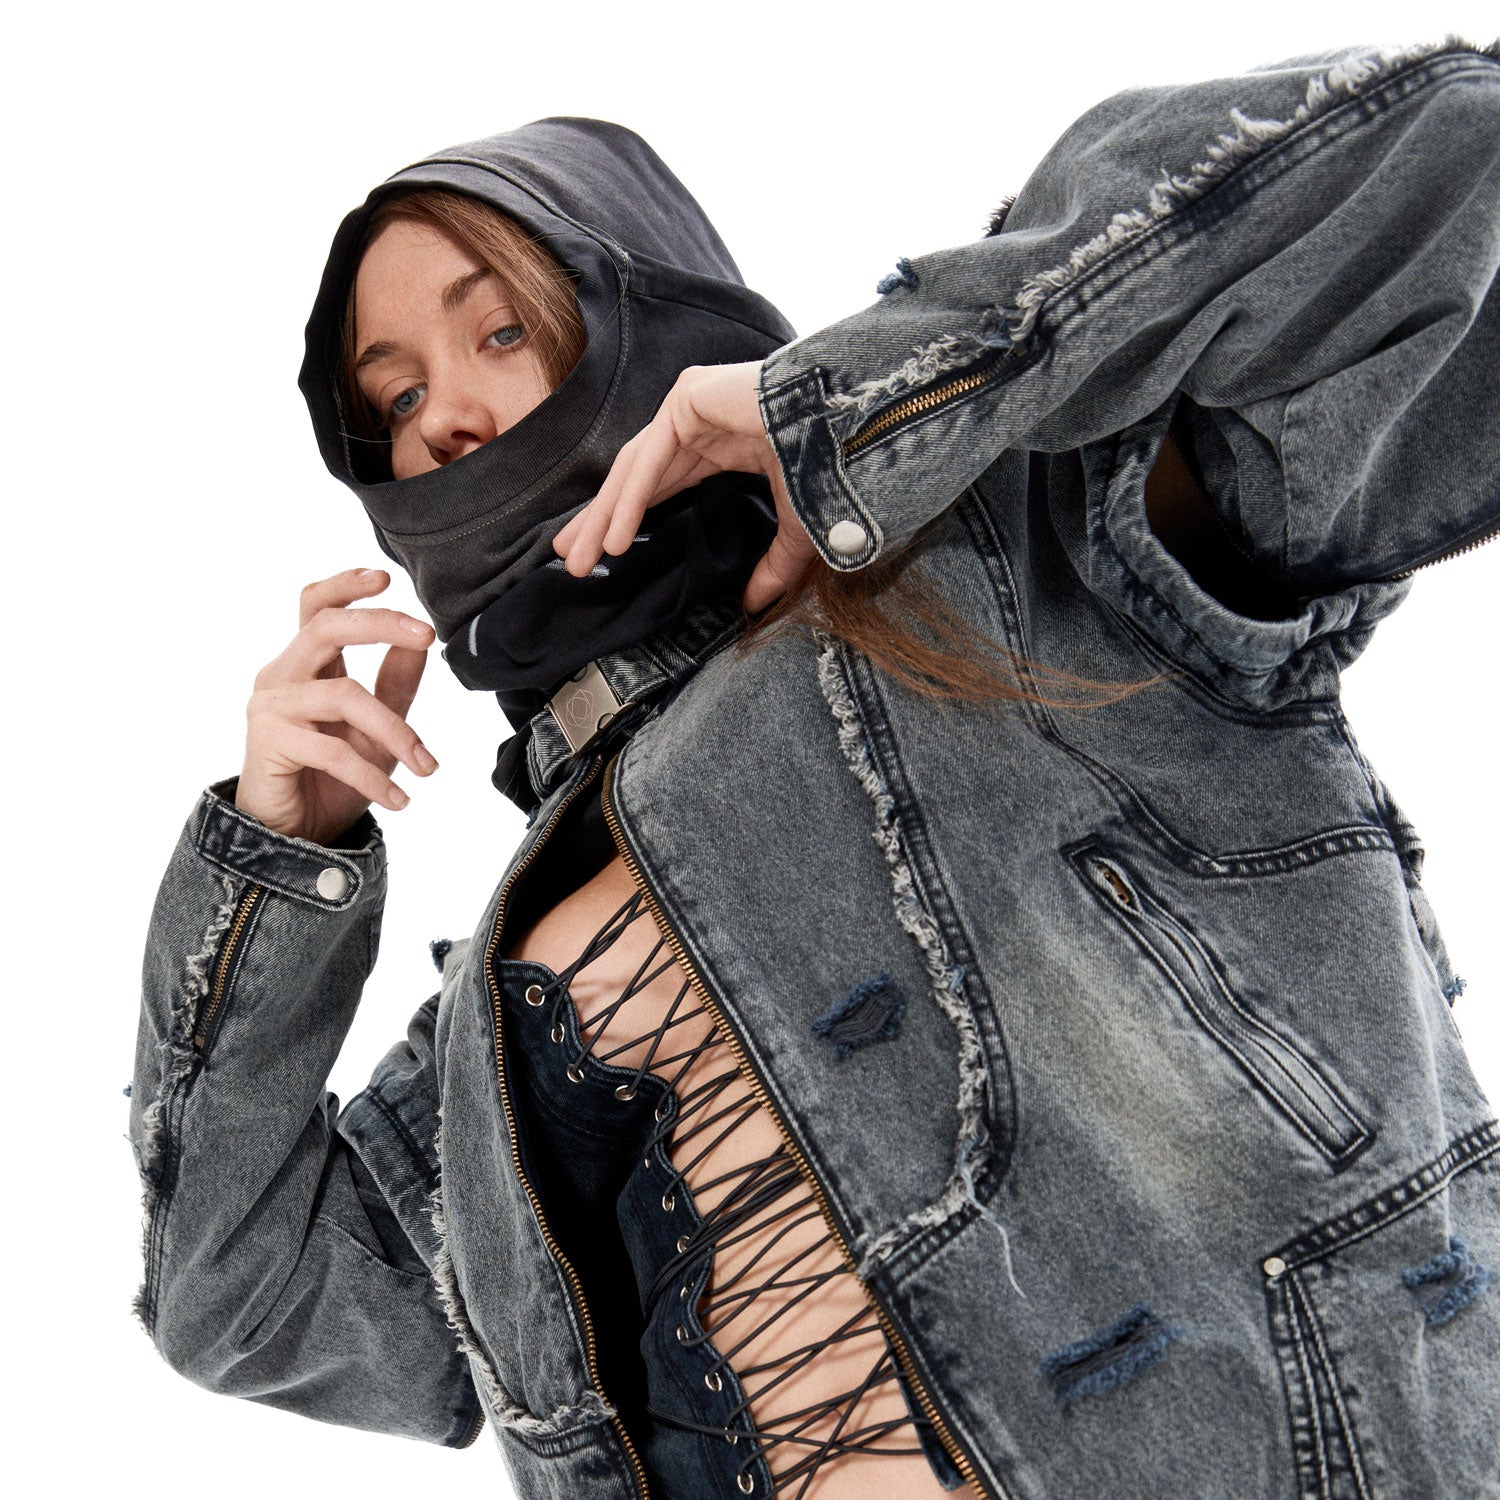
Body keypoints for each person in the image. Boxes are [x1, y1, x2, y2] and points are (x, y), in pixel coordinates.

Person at [128, 34, 1500, 1500]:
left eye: (503, 331)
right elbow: (237, 1301)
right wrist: (279, 860)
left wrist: (851, 412)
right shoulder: (485, 1041)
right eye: (394, 400)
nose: (446, 416)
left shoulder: (1019, 561)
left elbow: (1443, 157)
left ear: (650, 310)